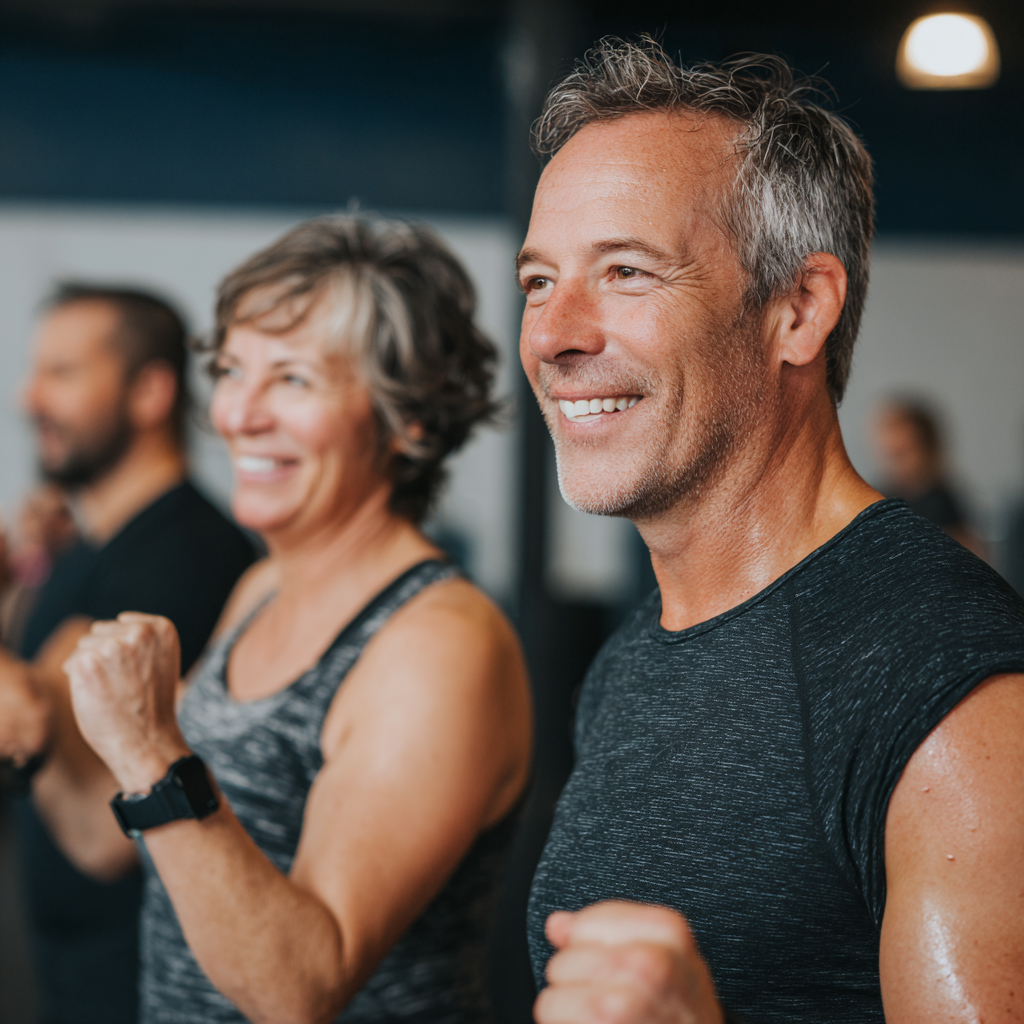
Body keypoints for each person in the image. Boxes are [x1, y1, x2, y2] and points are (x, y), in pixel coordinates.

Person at [514, 40, 1023, 1024]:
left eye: (624, 271)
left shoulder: (953, 701)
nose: (553, 334)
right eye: (538, 281)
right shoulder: (637, 655)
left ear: (797, 309)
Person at [62, 216, 533, 1024]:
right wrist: (46, 721)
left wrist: (148, 747)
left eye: (292, 380)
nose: (238, 415)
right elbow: (125, 845)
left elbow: (304, 986)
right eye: (234, 371)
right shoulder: (263, 589)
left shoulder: (436, 643)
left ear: (409, 419)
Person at [0, 285, 255, 1024]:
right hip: (67, 969)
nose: (29, 397)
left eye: (63, 373)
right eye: (34, 371)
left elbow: (89, 793)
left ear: (150, 391)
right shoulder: (82, 543)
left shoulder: (188, 557)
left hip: (141, 979)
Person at [871, 395, 985, 557]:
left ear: (927, 448)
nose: (895, 464)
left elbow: (972, 557)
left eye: (902, 453)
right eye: (889, 454)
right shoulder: (877, 499)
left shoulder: (942, 503)